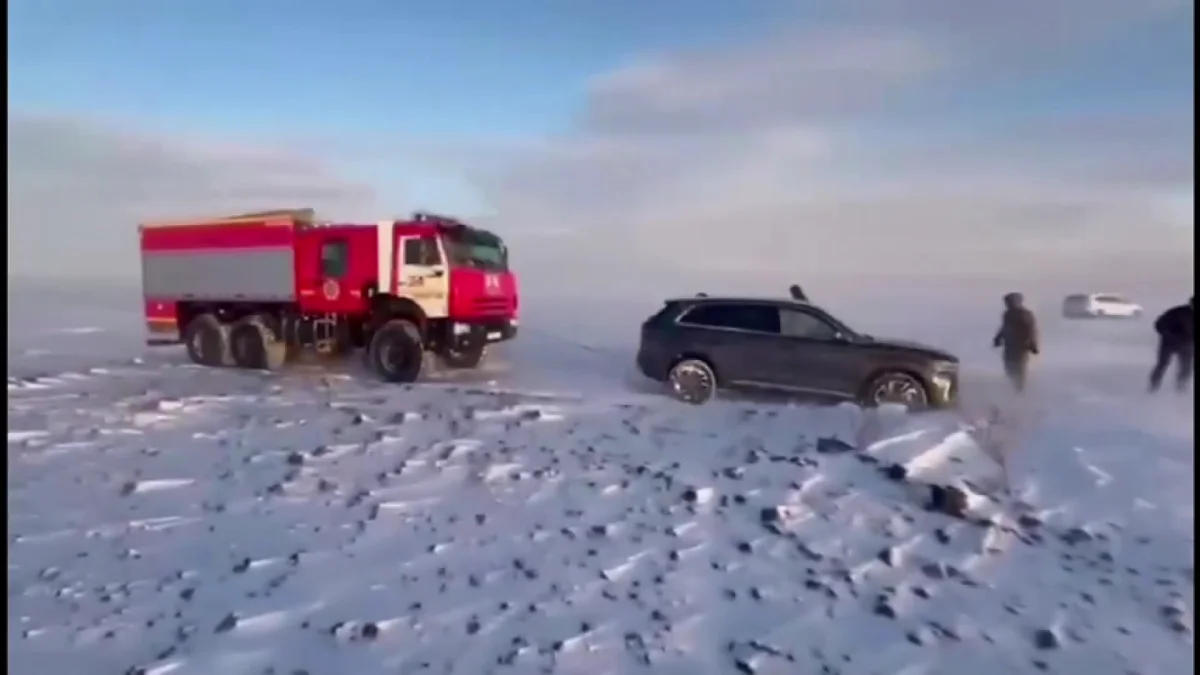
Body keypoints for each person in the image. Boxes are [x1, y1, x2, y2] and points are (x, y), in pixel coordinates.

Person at [992, 292, 1039, 393]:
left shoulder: (1025, 315)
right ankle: (1013, 390)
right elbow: (1004, 328)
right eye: (1007, 302)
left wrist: (1033, 344)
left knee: (1019, 370)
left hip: (1021, 348)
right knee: (1010, 369)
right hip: (1009, 347)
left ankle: (1019, 391)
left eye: (1010, 302)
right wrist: (998, 339)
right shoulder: (1007, 314)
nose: (1008, 304)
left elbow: (1030, 330)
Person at [1149, 296, 1194, 393]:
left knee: (1186, 367)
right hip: (1168, 344)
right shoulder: (1177, 312)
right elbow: (1159, 324)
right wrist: (1168, 335)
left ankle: (1181, 388)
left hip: (1187, 344)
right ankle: (1153, 387)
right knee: (1162, 365)